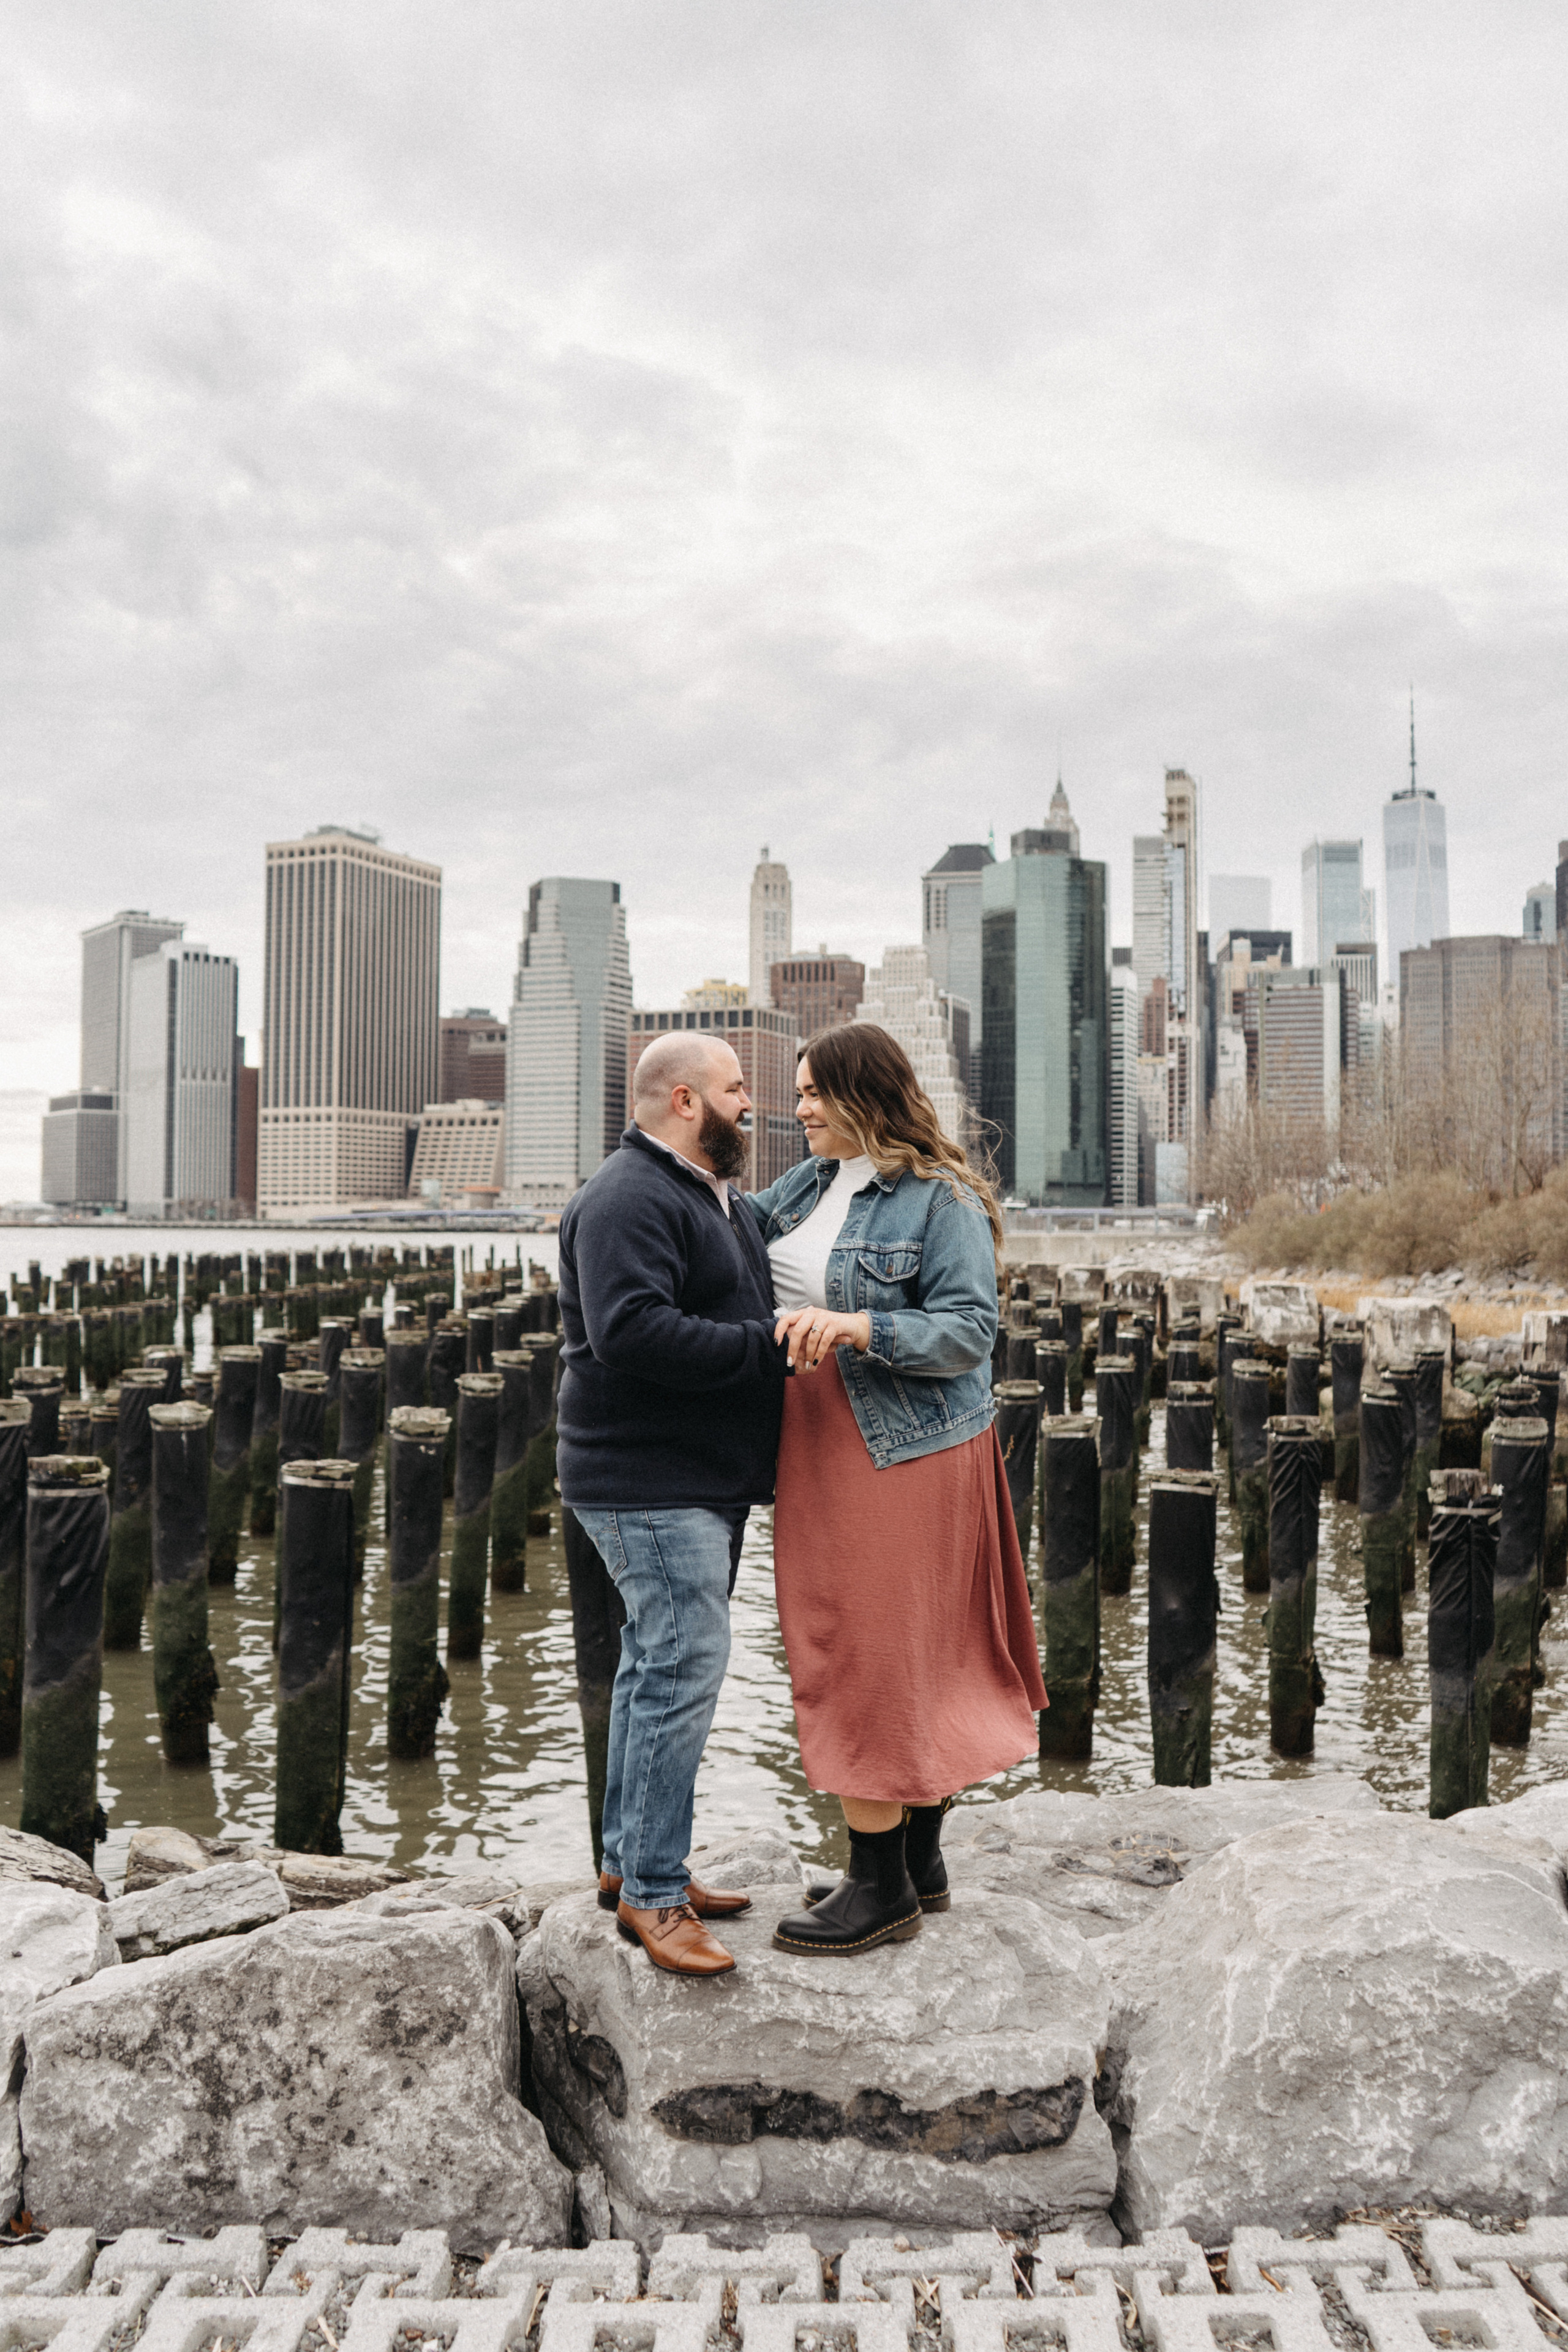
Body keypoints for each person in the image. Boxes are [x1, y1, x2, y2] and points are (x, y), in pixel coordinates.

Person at [739, 1022, 1047, 1956]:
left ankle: (879, 1890)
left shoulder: (939, 1200)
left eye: (812, 1095)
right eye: (793, 1096)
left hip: (904, 1452)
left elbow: (967, 1332)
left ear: (863, 1094)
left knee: (878, 1655)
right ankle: (916, 1861)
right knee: (892, 1649)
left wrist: (858, 1327)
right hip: (826, 1444)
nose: (797, 1113)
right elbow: (729, 1228)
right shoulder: (814, 1181)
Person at [557, 1030, 788, 1978]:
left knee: (660, 1662)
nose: (752, 1105)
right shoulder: (628, 1196)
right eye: (737, 1090)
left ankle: (635, 1866)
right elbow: (630, 1332)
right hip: (648, 1480)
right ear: (684, 1100)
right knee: (680, 1666)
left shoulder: (706, 1196)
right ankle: (653, 1894)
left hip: (694, 1478)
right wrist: (771, 1346)